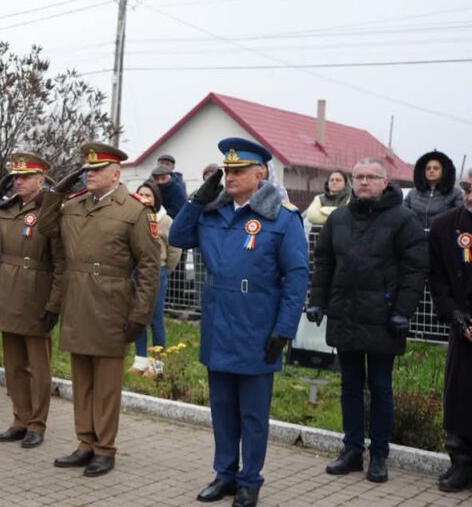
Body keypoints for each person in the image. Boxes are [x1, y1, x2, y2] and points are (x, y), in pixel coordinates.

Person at [169, 137, 308, 507]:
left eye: (238, 170)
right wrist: (198, 199)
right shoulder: (212, 212)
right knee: (223, 409)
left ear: (260, 174)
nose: (229, 176)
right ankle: (225, 474)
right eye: (226, 170)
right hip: (219, 324)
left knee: (253, 414)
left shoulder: (282, 216)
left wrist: (284, 330)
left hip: (257, 326)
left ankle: (250, 480)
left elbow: (297, 278)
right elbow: (177, 236)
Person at [42, 142, 161, 478]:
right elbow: (45, 227)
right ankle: (85, 443)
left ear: (115, 174)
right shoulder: (74, 206)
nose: (89, 175)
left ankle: (105, 449)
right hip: (78, 302)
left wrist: (140, 316)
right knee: (82, 381)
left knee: (106, 385)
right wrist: (57, 190)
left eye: (96, 170)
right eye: (86, 170)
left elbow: (150, 268)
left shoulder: (134, 211)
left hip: (112, 306)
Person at [308, 157, 427, 485]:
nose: (363, 182)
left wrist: (403, 309)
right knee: (349, 386)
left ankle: (379, 455)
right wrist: (317, 301)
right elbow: (324, 262)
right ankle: (351, 451)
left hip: (384, 318)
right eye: (358, 176)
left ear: (385, 182)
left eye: (371, 177)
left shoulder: (404, 220)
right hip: (345, 314)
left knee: (380, 388)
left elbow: (415, 269)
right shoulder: (339, 218)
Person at [0, 152, 64, 449]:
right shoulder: (6, 208)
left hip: (37, 293)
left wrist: (54, 303)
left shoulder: (51, 210)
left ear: (41, 180)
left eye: (25, 177)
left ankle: (37, 424)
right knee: (14, 366)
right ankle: (19, 420)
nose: (18, 182)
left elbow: (61, 262)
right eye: (14, 177)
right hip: (7, 293)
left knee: (38, 367)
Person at [428, 172, 472, 493]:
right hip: (464, 326)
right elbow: (438, 277)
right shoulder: (445, 226)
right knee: (459, 397)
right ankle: (461, 463)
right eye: (468, 189)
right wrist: (455, 315)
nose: (471, 196)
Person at [130, 181, 182, 375]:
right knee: (138, 315)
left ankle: (157, 365)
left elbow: (175, 250)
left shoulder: (165, 220)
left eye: (148, 195)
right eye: (140, 194)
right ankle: (140, 361)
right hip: (136, 272)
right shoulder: (133, 218)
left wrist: (165, 270)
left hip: (157, 273)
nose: (144, 198)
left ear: (156, 198)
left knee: (155, 318)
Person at [404, 150, 462, 229]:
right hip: (416, 237)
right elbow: (403, 216)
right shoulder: (413, 193)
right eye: (428, 168)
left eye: (436, 168)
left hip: (441, 238)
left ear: (444, 171)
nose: (431, 170)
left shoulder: (455, 194)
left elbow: (461, 219)